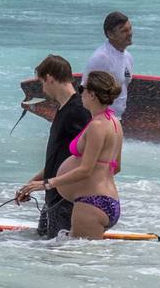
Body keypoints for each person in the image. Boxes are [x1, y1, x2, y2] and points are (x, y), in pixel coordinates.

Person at [15, 71, 123, 239]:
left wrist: (48, 183)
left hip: (91, 204)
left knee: (76, 263)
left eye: (82, 89)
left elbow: (85, 170)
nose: (80, 94)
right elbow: (116, 167)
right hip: (108, 201)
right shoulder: (115, 123)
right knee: (80, 260)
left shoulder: (97, 126)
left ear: (92, 95)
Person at [24, 55, 92, 238]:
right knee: (44, 250)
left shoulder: (78, 109)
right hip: (52, 196)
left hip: (65, 199)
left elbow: (87, 158)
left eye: (42, 83)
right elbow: (58, 157)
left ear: (49, 78)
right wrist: (32, 183)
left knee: (57, 258)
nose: (43, 89)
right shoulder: (63, 109)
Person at [86, 11, 133, 118]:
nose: (129, 33)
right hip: (100, 119)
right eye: (124, 31)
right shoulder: (101, 58)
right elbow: (86, 91)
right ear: (110, 34)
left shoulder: (128, 57)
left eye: (130, 28)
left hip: (116, 118)